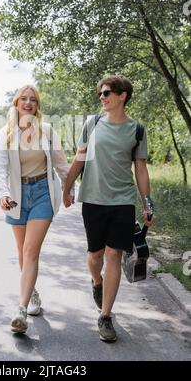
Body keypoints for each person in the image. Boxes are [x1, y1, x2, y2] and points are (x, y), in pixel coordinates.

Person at [63, 75, 155, 343]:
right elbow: (79, 158)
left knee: (114, 254)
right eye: (100, 93)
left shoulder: (136, 130)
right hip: (92, 199)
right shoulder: (92, 124)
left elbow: (140, 168)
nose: (102, 97)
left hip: (123, 201)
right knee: (95, 255)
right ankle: (96, 282)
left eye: (106, 93)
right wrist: (67, 187)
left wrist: (147, 202)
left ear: (122, 95)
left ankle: (105, 316)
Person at [0, 85, 74, 334]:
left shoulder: (47, 131)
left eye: (33, 100)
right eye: (24, 99)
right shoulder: (6, 132)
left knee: (30, 251)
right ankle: (33, 293)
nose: (28, 103)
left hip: (42, 193)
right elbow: (0, 168)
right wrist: (3, 194)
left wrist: (69, 189)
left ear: (37, 105)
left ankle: (20, 309)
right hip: (17, 197)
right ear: (16, 103)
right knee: (22, 252)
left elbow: (61, 163)